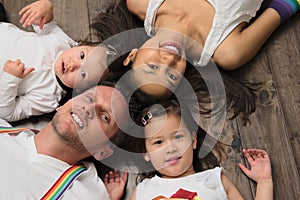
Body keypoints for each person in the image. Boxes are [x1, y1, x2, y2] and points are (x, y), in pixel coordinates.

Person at [92, 0, 299, 99]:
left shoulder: (140, 3)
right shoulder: (226, 50)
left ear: (132, 55)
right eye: (172, 76)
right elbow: (287, 5)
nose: (169, 61)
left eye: (153, 66)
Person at [0, 84, 130, 200]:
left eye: (104, 116)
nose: (89, 108)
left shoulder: (82, 194)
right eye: (90, 98)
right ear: (63, 105)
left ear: (102, 152)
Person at [127, 100, 273, 200]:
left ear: (193, 141)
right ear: (145, 153)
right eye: (158, 142)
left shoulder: (214, 180)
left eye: (178, 137)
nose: (171, 148)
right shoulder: (143, 191)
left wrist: (264, 182)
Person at [0, 0, 114, 122]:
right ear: (79, 46)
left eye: (83, 73)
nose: (73, 64)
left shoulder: (48, 98)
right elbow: (44, 23)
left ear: (80, 89)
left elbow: (8, 113)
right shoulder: (63, 42)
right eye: (82, 55)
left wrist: (10, 79)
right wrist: (46, 8)